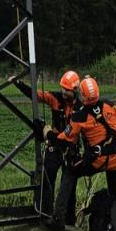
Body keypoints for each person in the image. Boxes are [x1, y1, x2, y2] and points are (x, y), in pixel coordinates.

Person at [51, 75, 116, 231]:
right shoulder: (110, 104)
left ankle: (59, 217)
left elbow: (66, 138)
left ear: (82, 95)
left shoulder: (80, 115)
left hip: (97, 159)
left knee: (70, 172)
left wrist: (49, 134)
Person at [35, 69, 80, 222]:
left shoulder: (80, 107)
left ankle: (68, 220)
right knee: (48, 181)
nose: (64, 92)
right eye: (62, 89)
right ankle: (45, 215)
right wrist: (17, 83)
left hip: (69, 148)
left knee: (68, 188)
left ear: (75, 90)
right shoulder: (55, 98)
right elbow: (37, 95)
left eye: (67, 90)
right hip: (54, 147)